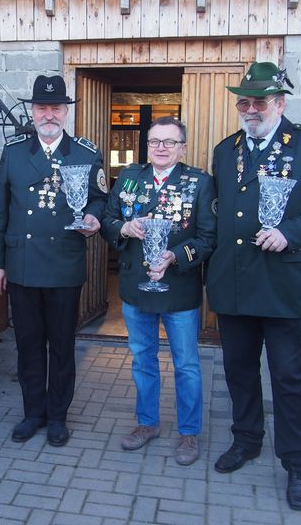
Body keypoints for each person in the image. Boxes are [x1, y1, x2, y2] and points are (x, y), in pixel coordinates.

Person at [205, 62, 301, 510]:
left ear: (279, 103)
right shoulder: (226, 151)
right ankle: (246, 440)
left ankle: (298, 463)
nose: (249, 109)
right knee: (239, 372)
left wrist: (291, 232)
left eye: (258, 101)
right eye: (242, 101)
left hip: (282, 282)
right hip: (235, 282)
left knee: (287, 376)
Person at [0, 74, 108, 447]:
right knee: (27, 344)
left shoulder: (87, 154)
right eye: (42, 108)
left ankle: (58, 415)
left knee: (61, 345)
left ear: (66, 113)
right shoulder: (15, 152)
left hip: (64, 264)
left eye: (56, 108)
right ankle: (32, 412)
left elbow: (101, 198)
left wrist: (94, 217)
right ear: (33, 112)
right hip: (22, 265)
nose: (49, 115)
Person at [101, 116, 215, 466]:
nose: (161, 148)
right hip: (137, 287)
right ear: (146, 144)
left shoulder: (200, 183)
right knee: (143, 361)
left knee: (186, 366)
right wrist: (124, 227)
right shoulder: (131, 178)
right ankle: (147, 424)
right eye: (154, 142)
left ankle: (189, 433)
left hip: (178, 288)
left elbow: (208, 238)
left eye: (169, 142)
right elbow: (107, 221)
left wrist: (176, 256)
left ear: (183, 148)